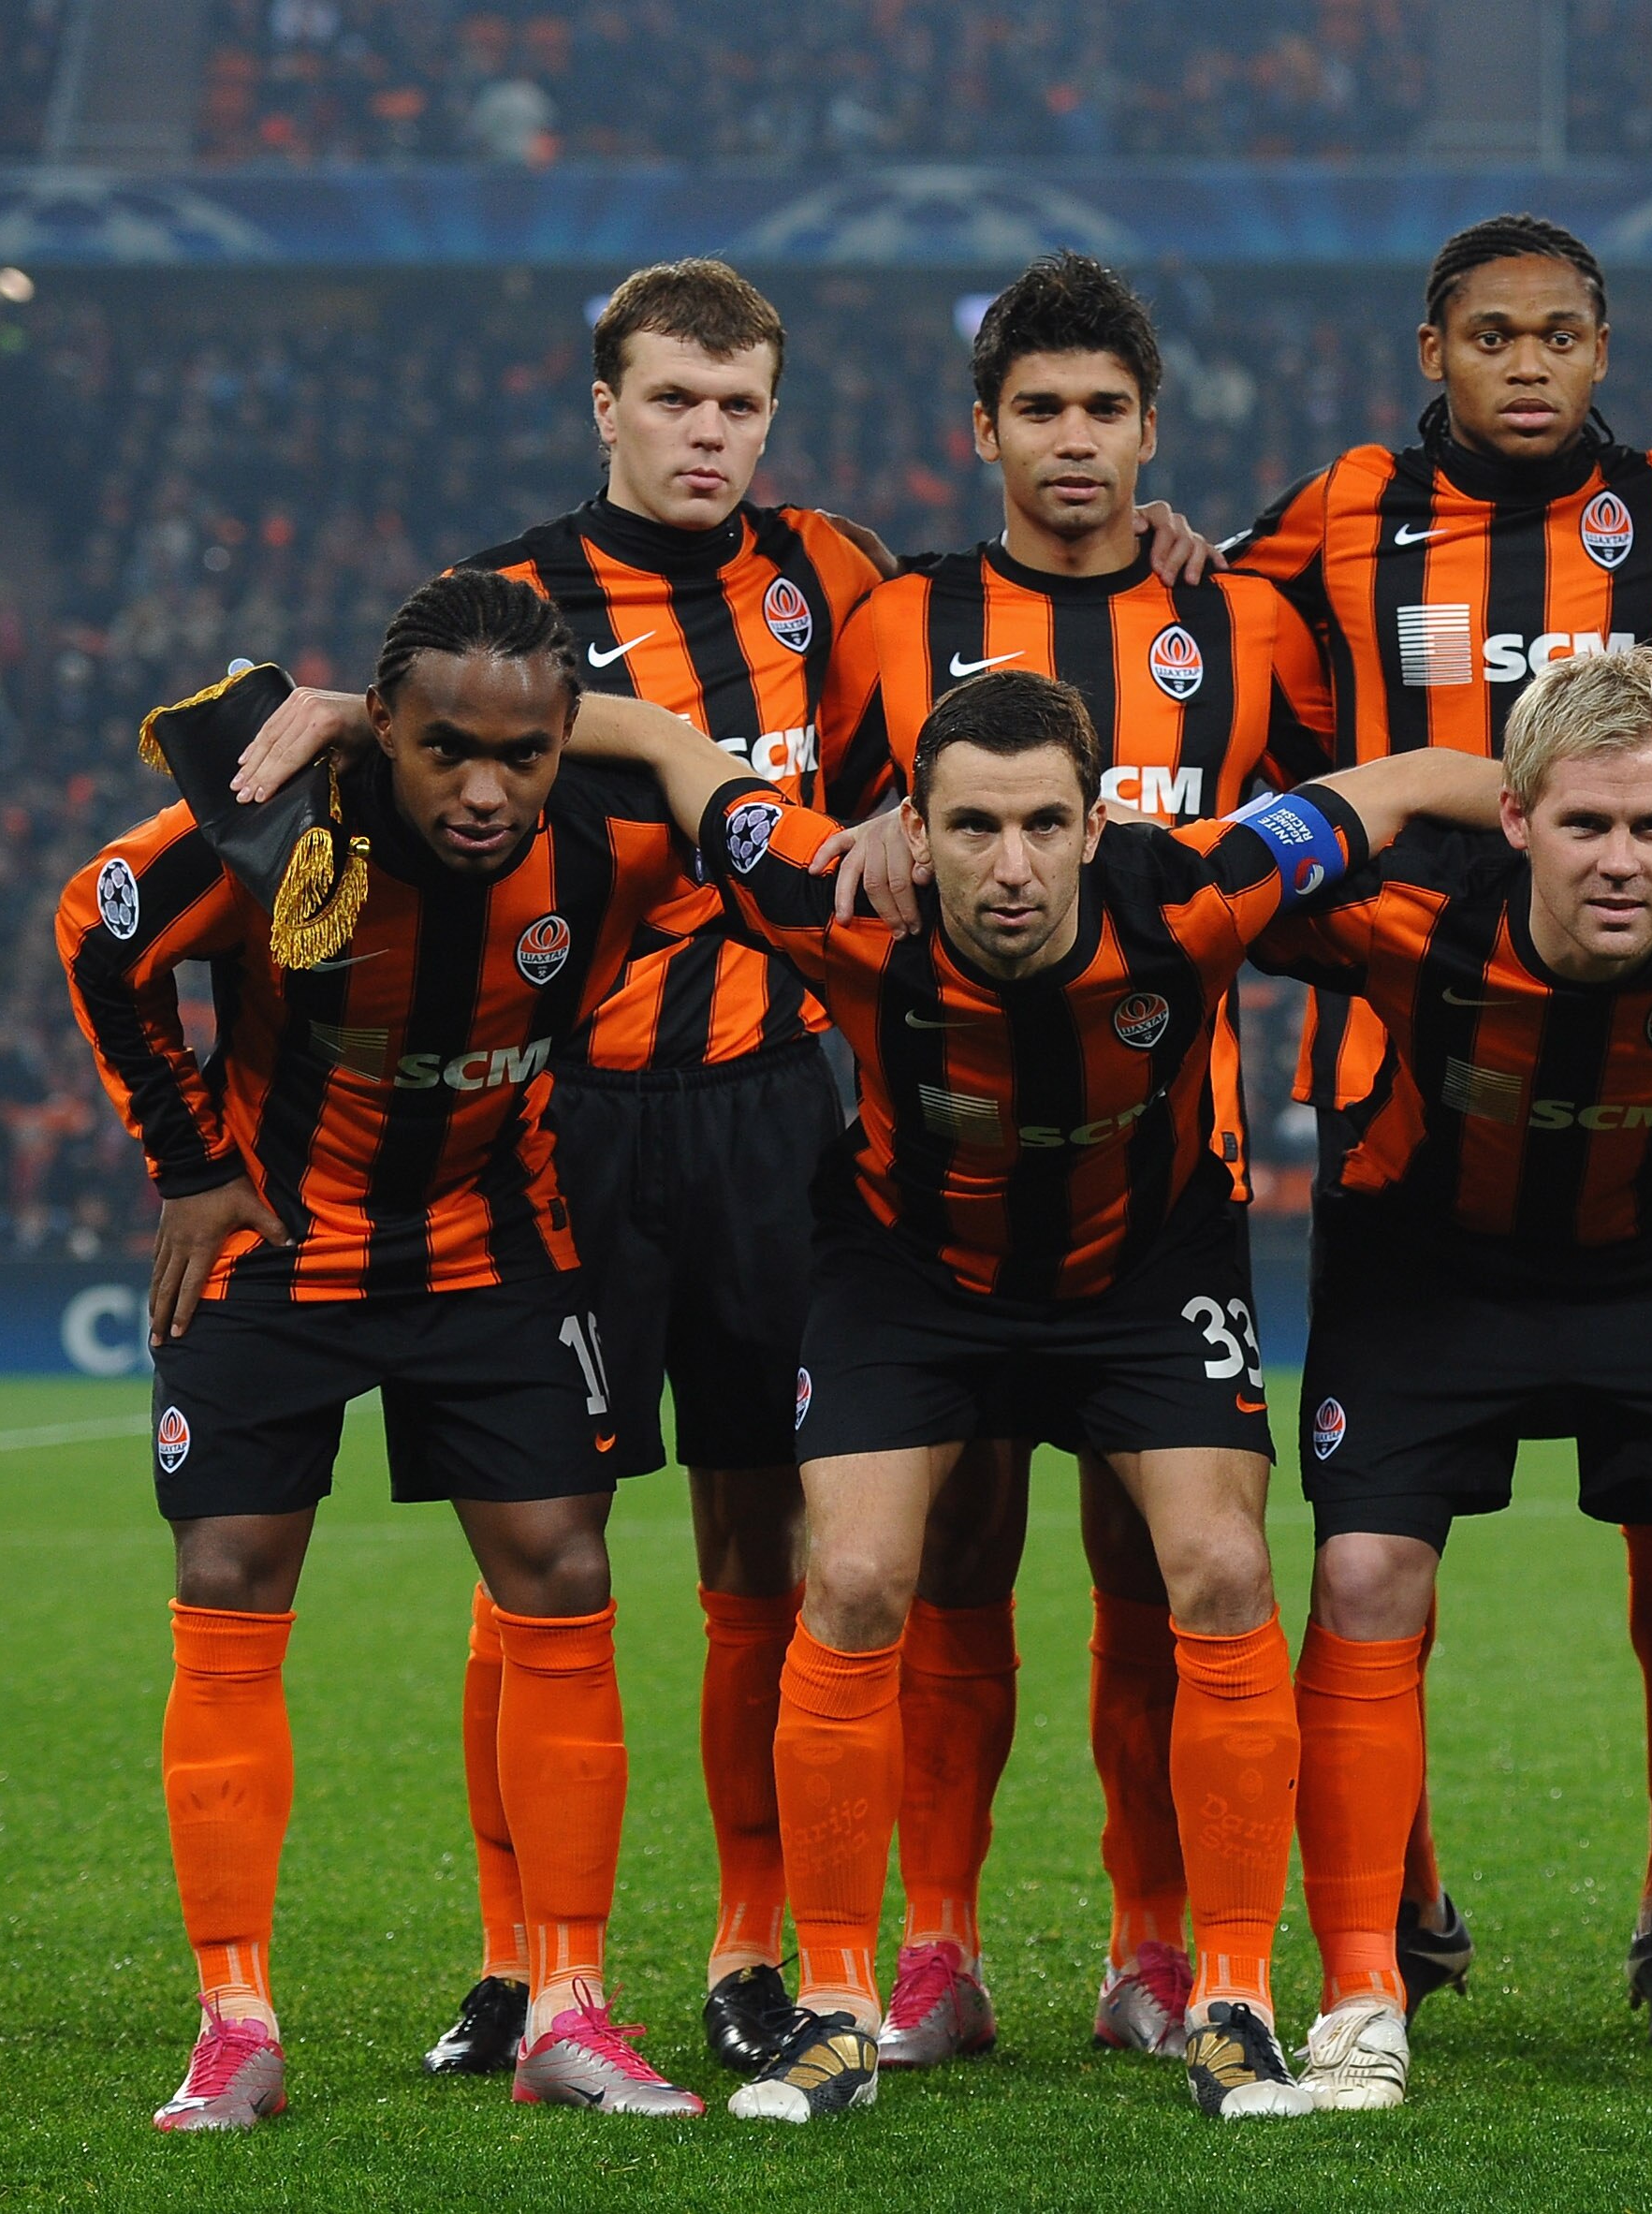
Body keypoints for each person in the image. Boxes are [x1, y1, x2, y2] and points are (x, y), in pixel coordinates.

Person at [496, 666, 1494, 2122]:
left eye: (1041, 823)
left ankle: (1230, 1994)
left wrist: (1644, 829)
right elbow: (651, 734)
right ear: (915, 823)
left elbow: (1406, 781)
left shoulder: (1203, 885)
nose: (1008, 865)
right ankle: (837, 2000)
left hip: (1145, 1271)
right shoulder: (829, 891)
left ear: (1099, 825)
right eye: (970, 826)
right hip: (910, 1274)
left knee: (1218, 1563)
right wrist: (357, 712)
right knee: (847, 1576)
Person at [1143, 212, 1652, 2040]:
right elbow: (1206, 660)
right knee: (1372, 1542)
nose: (1525, 362)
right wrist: (1168, 547)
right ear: (1433, 348)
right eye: (1490, 334)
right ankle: (1392, 1884)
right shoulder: (1333, 507)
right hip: (1399, 1059)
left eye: (1559, 334)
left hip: (1628, 1046)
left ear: (1601, 348)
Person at [63, 576, 723, 2129]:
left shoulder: (615, 842)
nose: (486, 789)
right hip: (279, 1245)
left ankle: (567, 2001)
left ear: (568, 740)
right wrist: (186, 1161)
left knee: (563, 1571)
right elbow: (97, 931)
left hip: (494, 1238)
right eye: (444, 751)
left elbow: (744, 842)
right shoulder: (279, 830)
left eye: (524, 754)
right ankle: (234, 2017)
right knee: (226, 1582)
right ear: (380, 735)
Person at [812, 249, 1338, 2075]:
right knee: (946, 1553)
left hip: (1162, 1188)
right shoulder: (893, 622)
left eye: (1105, 410)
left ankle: (1149, 1943)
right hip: (935, 1191)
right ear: (981, 432)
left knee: (1155, 1560)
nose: (1072, 441)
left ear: (1150, 430)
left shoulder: (1247, 621)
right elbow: (813, 856)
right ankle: (934, 1948)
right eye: (1037, 408)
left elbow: (1348, 838)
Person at [1252, 649, 1652, 2114]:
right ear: (1514, 818)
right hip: (1428, 1266)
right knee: (1359, 1577)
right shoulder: (1405, 913)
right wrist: (1415, 779)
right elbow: (1228, 858)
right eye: (1583, 825)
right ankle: (1359, 1989)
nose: (1618, 861)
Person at [394, 257, 897, 2083]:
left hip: (772, 1112)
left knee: (758, 1540)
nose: (709, 432)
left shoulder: (829, 575)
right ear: (602, 402)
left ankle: (751, 1945)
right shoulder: (510, 600)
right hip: (560, 1127)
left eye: (740, 402)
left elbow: (960, 682)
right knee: (536, 1549)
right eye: (676, 397)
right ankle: (522, 1960)